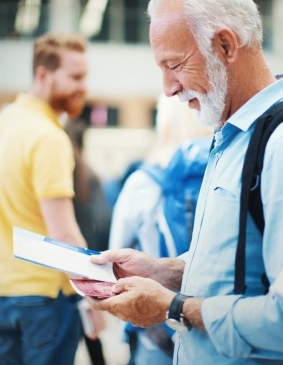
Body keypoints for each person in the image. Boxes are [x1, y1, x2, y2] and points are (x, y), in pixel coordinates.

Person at [89, 0, 283, 364]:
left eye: (175, 64)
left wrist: (176, 308)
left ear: (226, 45)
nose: (168, 87)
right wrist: (165, 271)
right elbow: (244, 270)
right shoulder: (235, 138)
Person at [0, 33, 90, 365]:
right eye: (75, 76)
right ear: (43, 74)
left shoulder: (1, 124)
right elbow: (64, 233)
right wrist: (92, 296)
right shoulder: (49, 138)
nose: (84, 86)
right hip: (45, 299)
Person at [109, 94, 212, 365]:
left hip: (157, 334)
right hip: (213, 322)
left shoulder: (142, 183)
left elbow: (114, 253)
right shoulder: (224, 173)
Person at [65, 117, 109, 365]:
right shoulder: (88, 174)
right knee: (92, 332)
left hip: (62, 263)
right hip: (87, 260)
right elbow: (102, 220)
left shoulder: (63, 170)